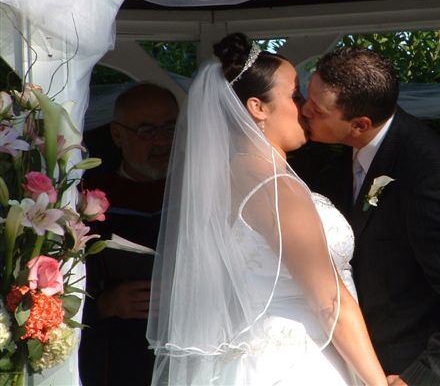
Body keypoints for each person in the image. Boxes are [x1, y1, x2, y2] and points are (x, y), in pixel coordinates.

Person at [147, 33, 386, 385]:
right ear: (258, 107)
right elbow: (331, 302)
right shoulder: (276, 189)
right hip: (297, 364)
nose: (305, 108)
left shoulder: (223, 180)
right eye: (295, 95)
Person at [301, 47, 440, 386]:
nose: (304, 109)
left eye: (317, 108)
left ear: (359, 125)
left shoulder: (430, 175)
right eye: (308, 96)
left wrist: (422, 378)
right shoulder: (351, 152)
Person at [79, 83, 179, 386]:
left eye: (170, 128)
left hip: (190, 347)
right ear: (117, 135)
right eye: (147, 130)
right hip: (118, 356)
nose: (161, 141)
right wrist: (104, 304)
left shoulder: (199, 192)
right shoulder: (87, 199)